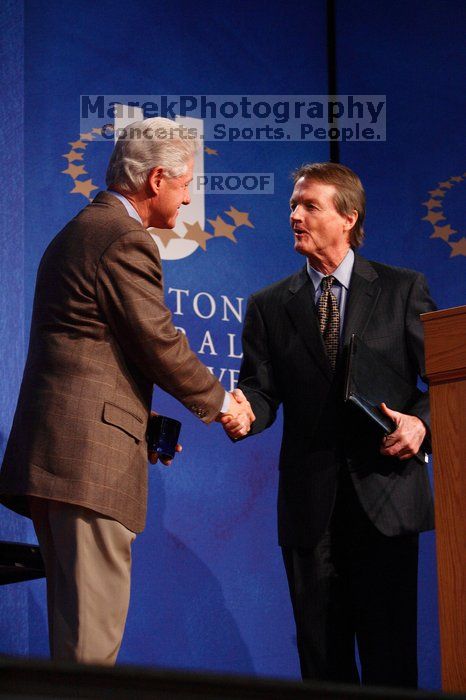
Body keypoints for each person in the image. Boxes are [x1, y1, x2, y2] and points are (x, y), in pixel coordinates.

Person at [0, 117, 254, 665]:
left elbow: (99, 351)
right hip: (86, 468)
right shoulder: (123, 236)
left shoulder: (82, 228)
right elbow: (158, 340)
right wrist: (221, 403)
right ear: (158, 179)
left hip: (63, 461)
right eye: (187, 186)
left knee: (75, 646)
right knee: (92, 652)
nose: (188, 201)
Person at [222, 163, 436, 688]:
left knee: (391, 665)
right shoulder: (269, 306)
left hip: (385, 503)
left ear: (348, 217)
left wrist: (421, 425)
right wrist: (246, 409)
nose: (294, 215)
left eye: (309, 205)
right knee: (323, 669)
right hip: (309, 513)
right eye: (293, 206)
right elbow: (262, 389)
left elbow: (447, 386)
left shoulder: (402, 290)